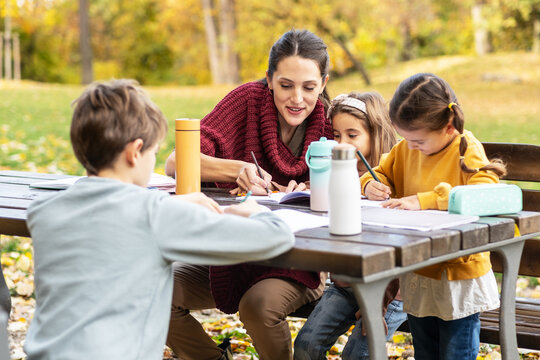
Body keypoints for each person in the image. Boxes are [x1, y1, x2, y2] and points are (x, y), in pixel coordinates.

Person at [24, 79, 296, 360]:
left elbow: (113, 216)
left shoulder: (45, 210)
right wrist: (255, 211)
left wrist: (170, 204)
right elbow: (276, 238)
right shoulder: (154, 215)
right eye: (153, 153)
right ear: (134, 152)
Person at [165, 29, 332, 360]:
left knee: (258, 306)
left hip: (301, 262)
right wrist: (235, 169)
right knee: (153, 286)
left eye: (309, 87)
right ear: (269, 79)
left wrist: (314, 190)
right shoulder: (246, 101)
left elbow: (360, 179)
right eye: (286, 85)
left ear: (323, 84)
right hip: (231, 254)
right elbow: (176, 162)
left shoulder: (329, 122)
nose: (297, 98)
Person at [361, 73, 506, 360]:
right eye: (406, 139)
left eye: (418, 140)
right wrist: (370, 185)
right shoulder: (406, 148)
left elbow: (485, 194)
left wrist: (424, 200)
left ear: (448, 127)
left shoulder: (466, 148)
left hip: (457, 274)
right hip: (419, 272)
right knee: (424, 352)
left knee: (455, 353)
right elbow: (375, 172)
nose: (410, 147)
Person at [294, 92, 405, 360]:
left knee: (357, 355)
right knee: (305, 346)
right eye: (335, 135)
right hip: (345, 286)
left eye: (352, 135)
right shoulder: (335, 173)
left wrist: (376, 308)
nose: (340, 143)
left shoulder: (391, 178)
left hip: (390, 293)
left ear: (376, 134)